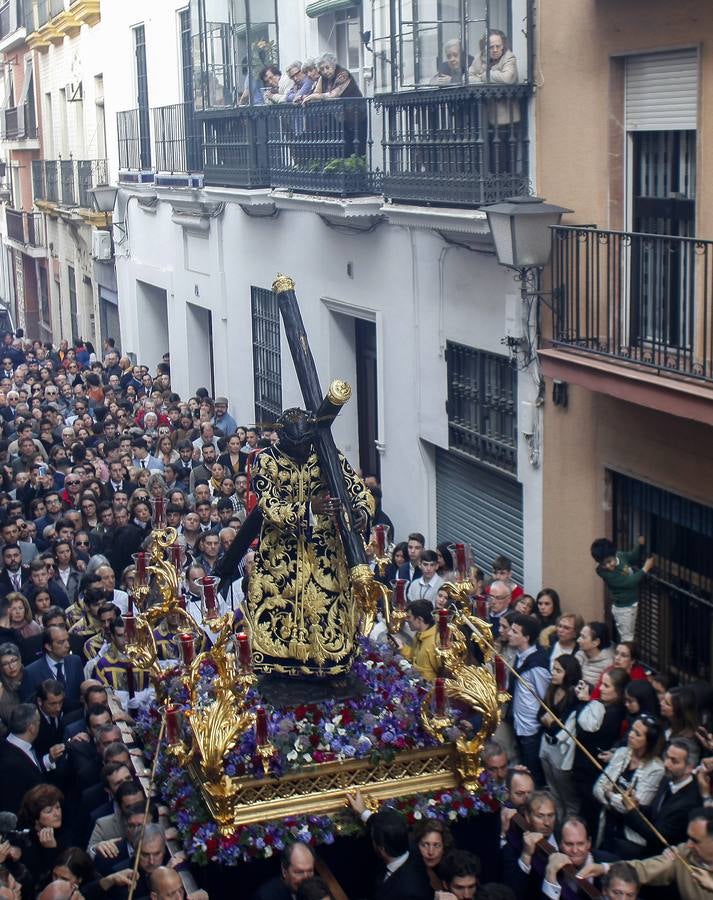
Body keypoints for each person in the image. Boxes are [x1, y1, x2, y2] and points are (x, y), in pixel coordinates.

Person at [243, 407, 373, 676]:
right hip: (283, 558)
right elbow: (269, 505)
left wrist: (361, 512)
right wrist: (309, 509)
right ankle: (279, 661)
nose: (303, 450)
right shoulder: (265, 461)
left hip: (324, 555)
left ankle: (331, 661)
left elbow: (357, 488)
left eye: (306, 443)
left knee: (330, 612)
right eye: (296, 445)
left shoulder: (327, 457)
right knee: (279, 610)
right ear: (281, 438)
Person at [578, 807, 713, 900]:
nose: (688, 844)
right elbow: (645, 869)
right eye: (688, 838)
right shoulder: (684, 853)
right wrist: (603, 868)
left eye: (695, 841)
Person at [593, 714, 665, 855]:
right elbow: (597, 788)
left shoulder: (656, 769)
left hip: (628, 838)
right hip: (607, 824)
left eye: (637, 734)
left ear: (648, 742)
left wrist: (608, 794)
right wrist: (614, 798)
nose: (630, 735)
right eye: (632, 730)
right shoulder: (621, 753)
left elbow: (631, 808)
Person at [507, 613, 550, 786]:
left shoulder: (537, 665)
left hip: (531, 729)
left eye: (514, 631)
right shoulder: (520, 656)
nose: (509, 633)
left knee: (533, 775)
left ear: (526, 637)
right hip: (519, 724)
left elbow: (544, 695)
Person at [539, 654, 582, 820]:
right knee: (553, 792)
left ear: (569, 673)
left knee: (567, 796)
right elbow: (540, 713)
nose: (553, 673)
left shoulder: (573, 695)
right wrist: (547, 721)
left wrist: (552, 723)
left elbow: (567, 725)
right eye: (553, 669)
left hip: (561, 750)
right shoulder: (552, 689)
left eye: (558, 670)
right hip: (546, 744)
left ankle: (569, 826)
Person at [590, 537, 653, 642]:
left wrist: (640, 546)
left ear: (614, 554)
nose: (608, 566)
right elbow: (629, 582)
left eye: (610, 561)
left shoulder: (620, 555)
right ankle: (626, 657)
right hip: (624, 609)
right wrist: (645, 569)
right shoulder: (605, 573)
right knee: (627, 639)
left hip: (632, 603)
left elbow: (632, 557)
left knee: (631, 635)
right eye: (604, 564)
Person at [368, 807, 433, 900]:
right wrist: (364, 814)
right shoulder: (414, 849)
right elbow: (390, 828)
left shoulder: (408, 892)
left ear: (382, 849)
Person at [397, 600, 439, 681]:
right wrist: (402, 647)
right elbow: (414, 657)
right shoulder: (418, 634)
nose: (406, 620)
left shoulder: (435, 642)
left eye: (409, 617)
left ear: (419, 619)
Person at [575, 622, 615, 689]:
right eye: (580, 636)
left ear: (596, 642)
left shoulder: (608, 663)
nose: (578, 640)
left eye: (583, 637)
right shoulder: (580, 654)